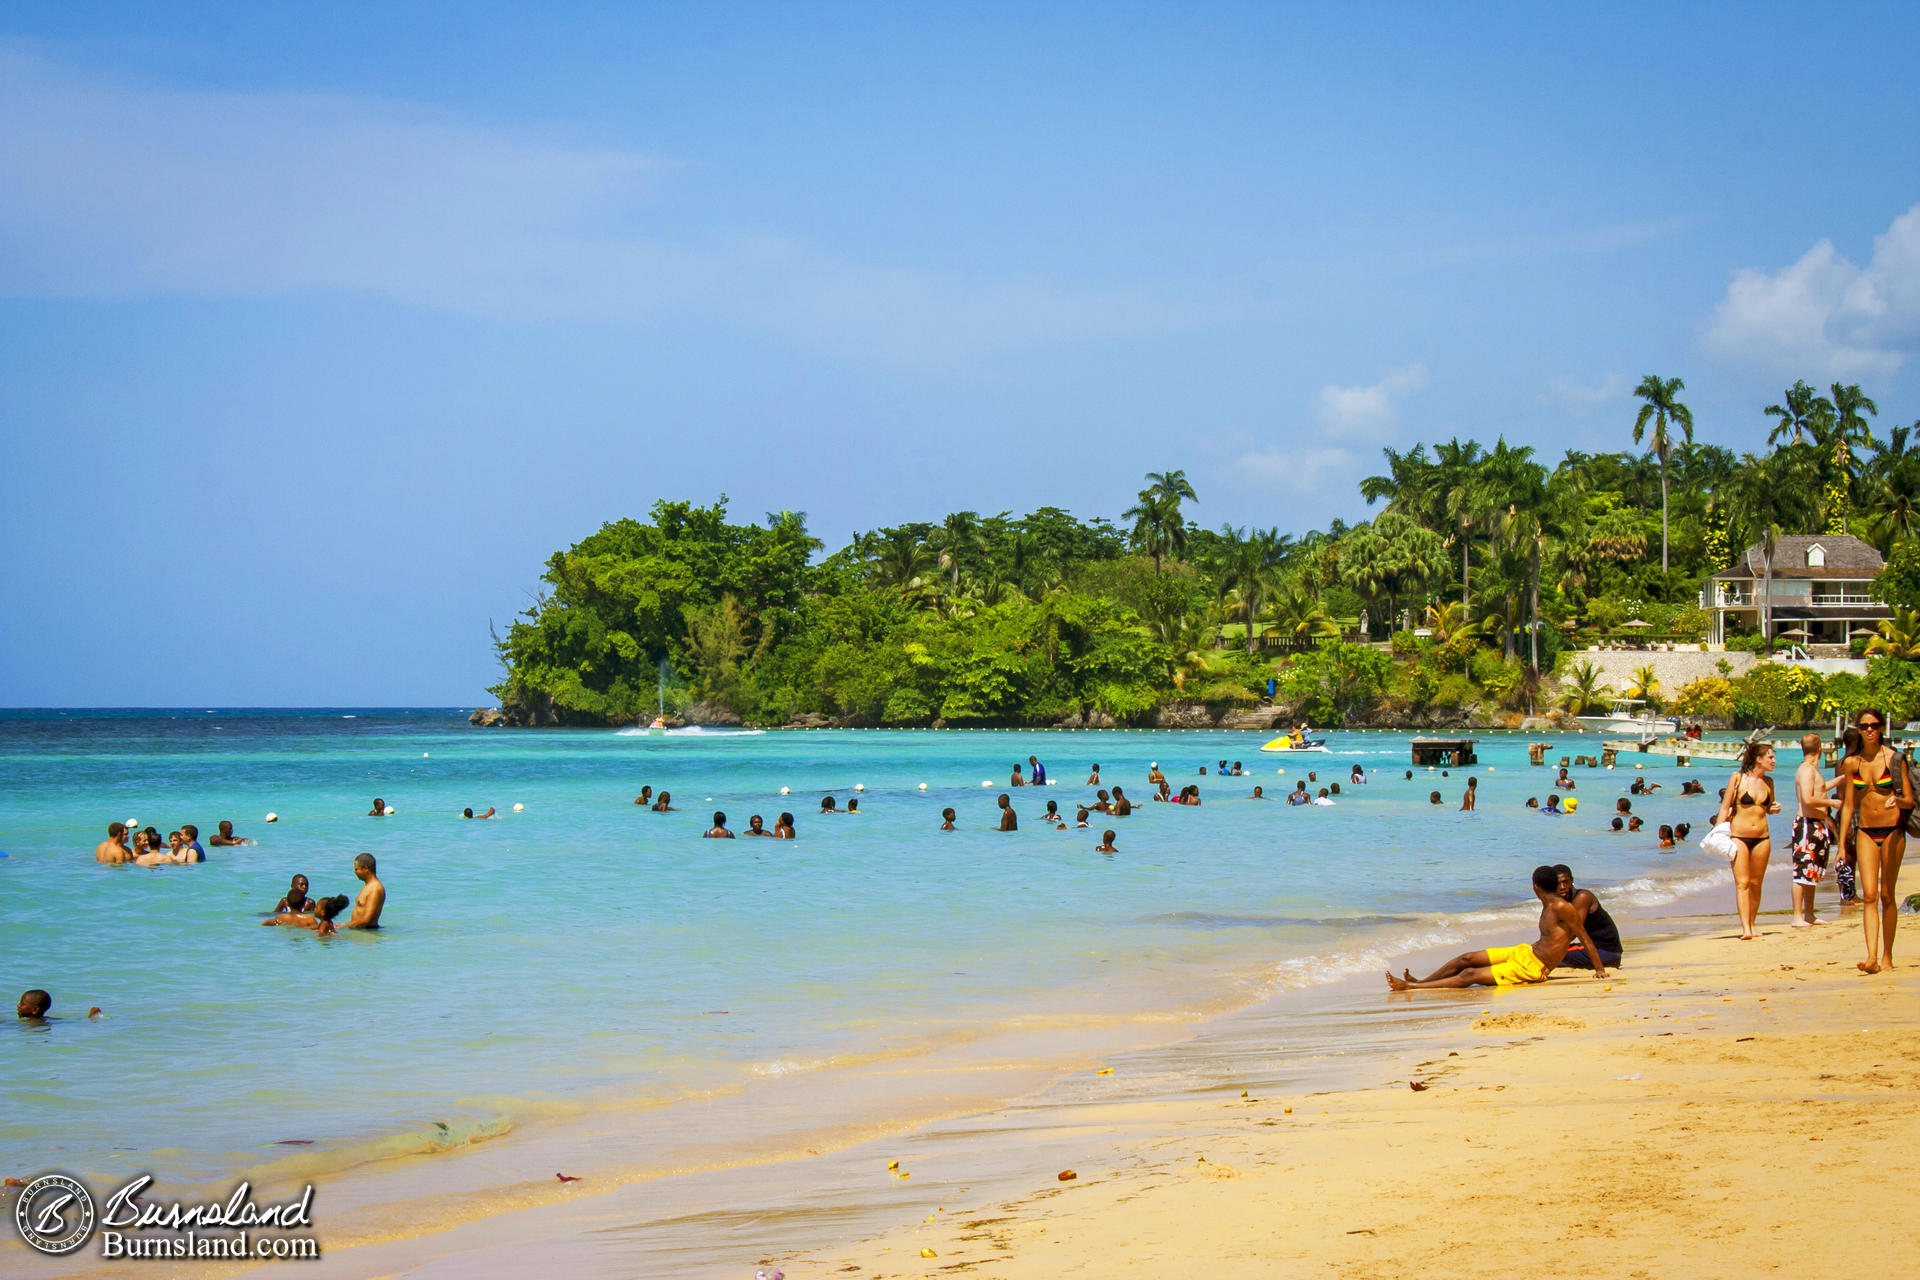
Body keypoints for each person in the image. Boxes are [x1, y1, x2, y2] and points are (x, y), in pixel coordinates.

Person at [1388, 865, 1609, 989]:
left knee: (1470, 974)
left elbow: (1584, 936)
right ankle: (1423, 981)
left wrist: (1600, 969)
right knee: (1467, 958)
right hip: (1526, 952)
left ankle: (1412, 988)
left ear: (1535, 886)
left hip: (1534, 968)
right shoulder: (1547, 903)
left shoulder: (1561, 907)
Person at [1836, 708, 1910, 972]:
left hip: (1892, 830)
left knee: (1887, 895)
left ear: (1881, 729)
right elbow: (1847, 806)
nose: (1869, 729)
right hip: (1865, 832)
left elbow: (1910, 800)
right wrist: (1842, 845)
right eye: (1864, 726)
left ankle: (1887, 956)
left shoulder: (1894, 759)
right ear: (1858, 728)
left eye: (1874, 725)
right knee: (1869, 895)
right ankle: (1871, 957)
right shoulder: (1851, 763)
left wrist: (1897, 800)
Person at [1714, 739, 1781, 941]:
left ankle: (1752, 923)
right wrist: (1718, 832)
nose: (1774, 760)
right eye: (1770, 757)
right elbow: (1725, 807)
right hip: (1739, 837)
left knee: (1756, 882)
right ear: (1758, 759)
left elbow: (1767, 808)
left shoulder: (1769, 783)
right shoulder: (1737, 779)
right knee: (1742, 883)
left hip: (1762, 837)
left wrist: (1773, 808)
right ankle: (1746, 928)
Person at [1787, 731, 1838, 928]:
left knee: (1813, 871)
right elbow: (1808, 799)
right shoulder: (1806, 770)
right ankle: (1797, 915)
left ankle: (1809, 913)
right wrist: (1832, 802)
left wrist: (1842, 779)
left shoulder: (1811, 770)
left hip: (1816, 825)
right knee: (1802, 871)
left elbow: (1820, 788)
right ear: (1820, 749)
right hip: (1806, 825)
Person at [1553, 864, 1624, 971]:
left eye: (1565, 882)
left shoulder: (1582, 897)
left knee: (1549, 955)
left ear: (1571, 880)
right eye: (1558, 883)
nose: (1562, 887)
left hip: (1606, 953)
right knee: (1551, 951)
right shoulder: (1563, 901)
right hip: (1601, 951)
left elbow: (1572, 932)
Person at [262, 894, 350, 937]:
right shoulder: (327, 922)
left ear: (322, 912)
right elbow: (316, 927)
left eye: (317, 908)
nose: (314, 909)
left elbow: (320, 933)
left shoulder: (324, 924)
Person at [343, 853, 385, 929]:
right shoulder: (368, 886)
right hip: (361, 933)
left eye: (356, 869)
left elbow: (366, 920)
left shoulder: (375, 888)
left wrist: (342, 926)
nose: (354, 872)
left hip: (368, 934)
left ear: (366, 869)